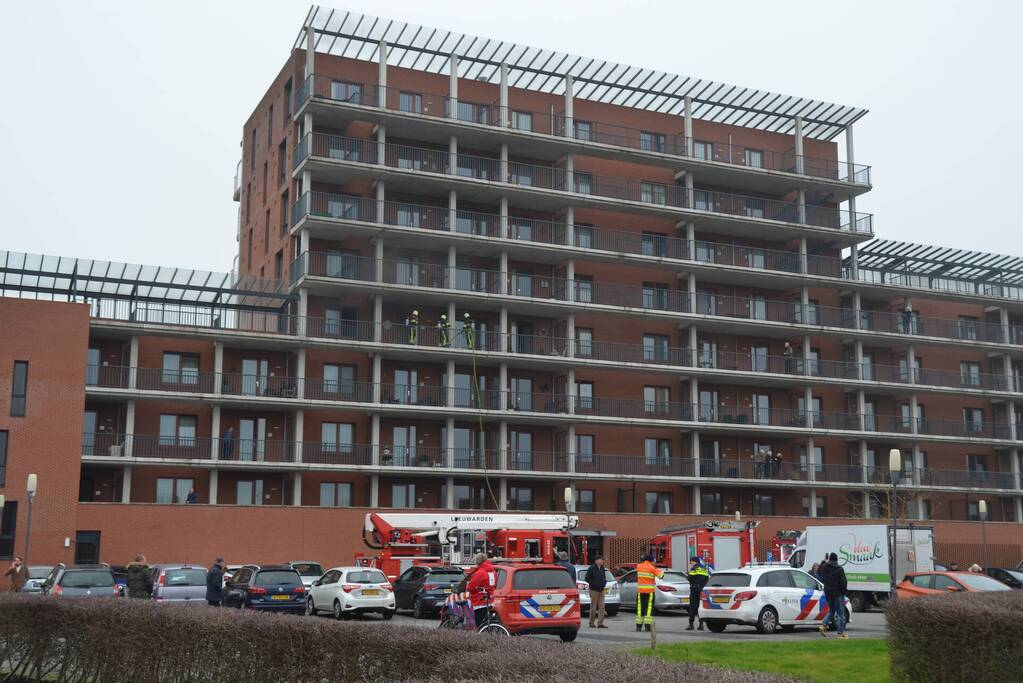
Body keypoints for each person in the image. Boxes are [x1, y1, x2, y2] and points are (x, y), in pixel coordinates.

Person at [817, 552, 848, 639]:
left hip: (828, 593)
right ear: (837, 559)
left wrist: (824, 561)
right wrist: (843, 592)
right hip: (837, 594)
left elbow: (818, 571)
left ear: (829, 559)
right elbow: (844, 582)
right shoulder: (840, 569)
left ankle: (823, 625)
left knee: (831, 611)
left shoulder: (824, 568)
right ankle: (840, 633)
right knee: (840, 613)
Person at [465, 552, 496, 627]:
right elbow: (494, 584)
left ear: (478, 562)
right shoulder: (493, 571)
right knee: (487, 624)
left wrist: (468, 584)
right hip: (490, 600)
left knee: (480, 625)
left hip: (479, 602)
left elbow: (470, 587)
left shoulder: (480, 573)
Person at [635, 554, 664, 632]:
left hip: (640, 591)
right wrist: (656, 568)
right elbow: (661, 576)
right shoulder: (652, 568)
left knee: (640, 608)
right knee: (649, 608)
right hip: (649, 592)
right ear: (651, 561)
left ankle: (638, 626)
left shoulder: (639, 566)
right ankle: (647, 626)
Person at [686, 555, 710, 631]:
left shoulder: (694, 568)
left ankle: (691, 624)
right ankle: (701, 625)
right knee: (700, 607)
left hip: (694, 590)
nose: (690, 563)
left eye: (691, 561)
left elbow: (689, 578)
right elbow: (707, 579)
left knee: (692, 607)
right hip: (702, 590)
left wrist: (688, 575)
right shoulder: (704, 569)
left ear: (695, 561)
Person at [584, 556, 609, 628]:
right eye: (601, 560)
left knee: (602, 607)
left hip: (601, 590)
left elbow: (604, 577)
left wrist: (604, 583)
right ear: (596, 561)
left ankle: (600, 623)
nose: (602, 561)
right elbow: (587, 578)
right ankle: (591, 622)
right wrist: (594, 584)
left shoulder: (602, 568)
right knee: (593, 606)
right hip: (594, 590)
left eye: (603, 560)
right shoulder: (591, 568)